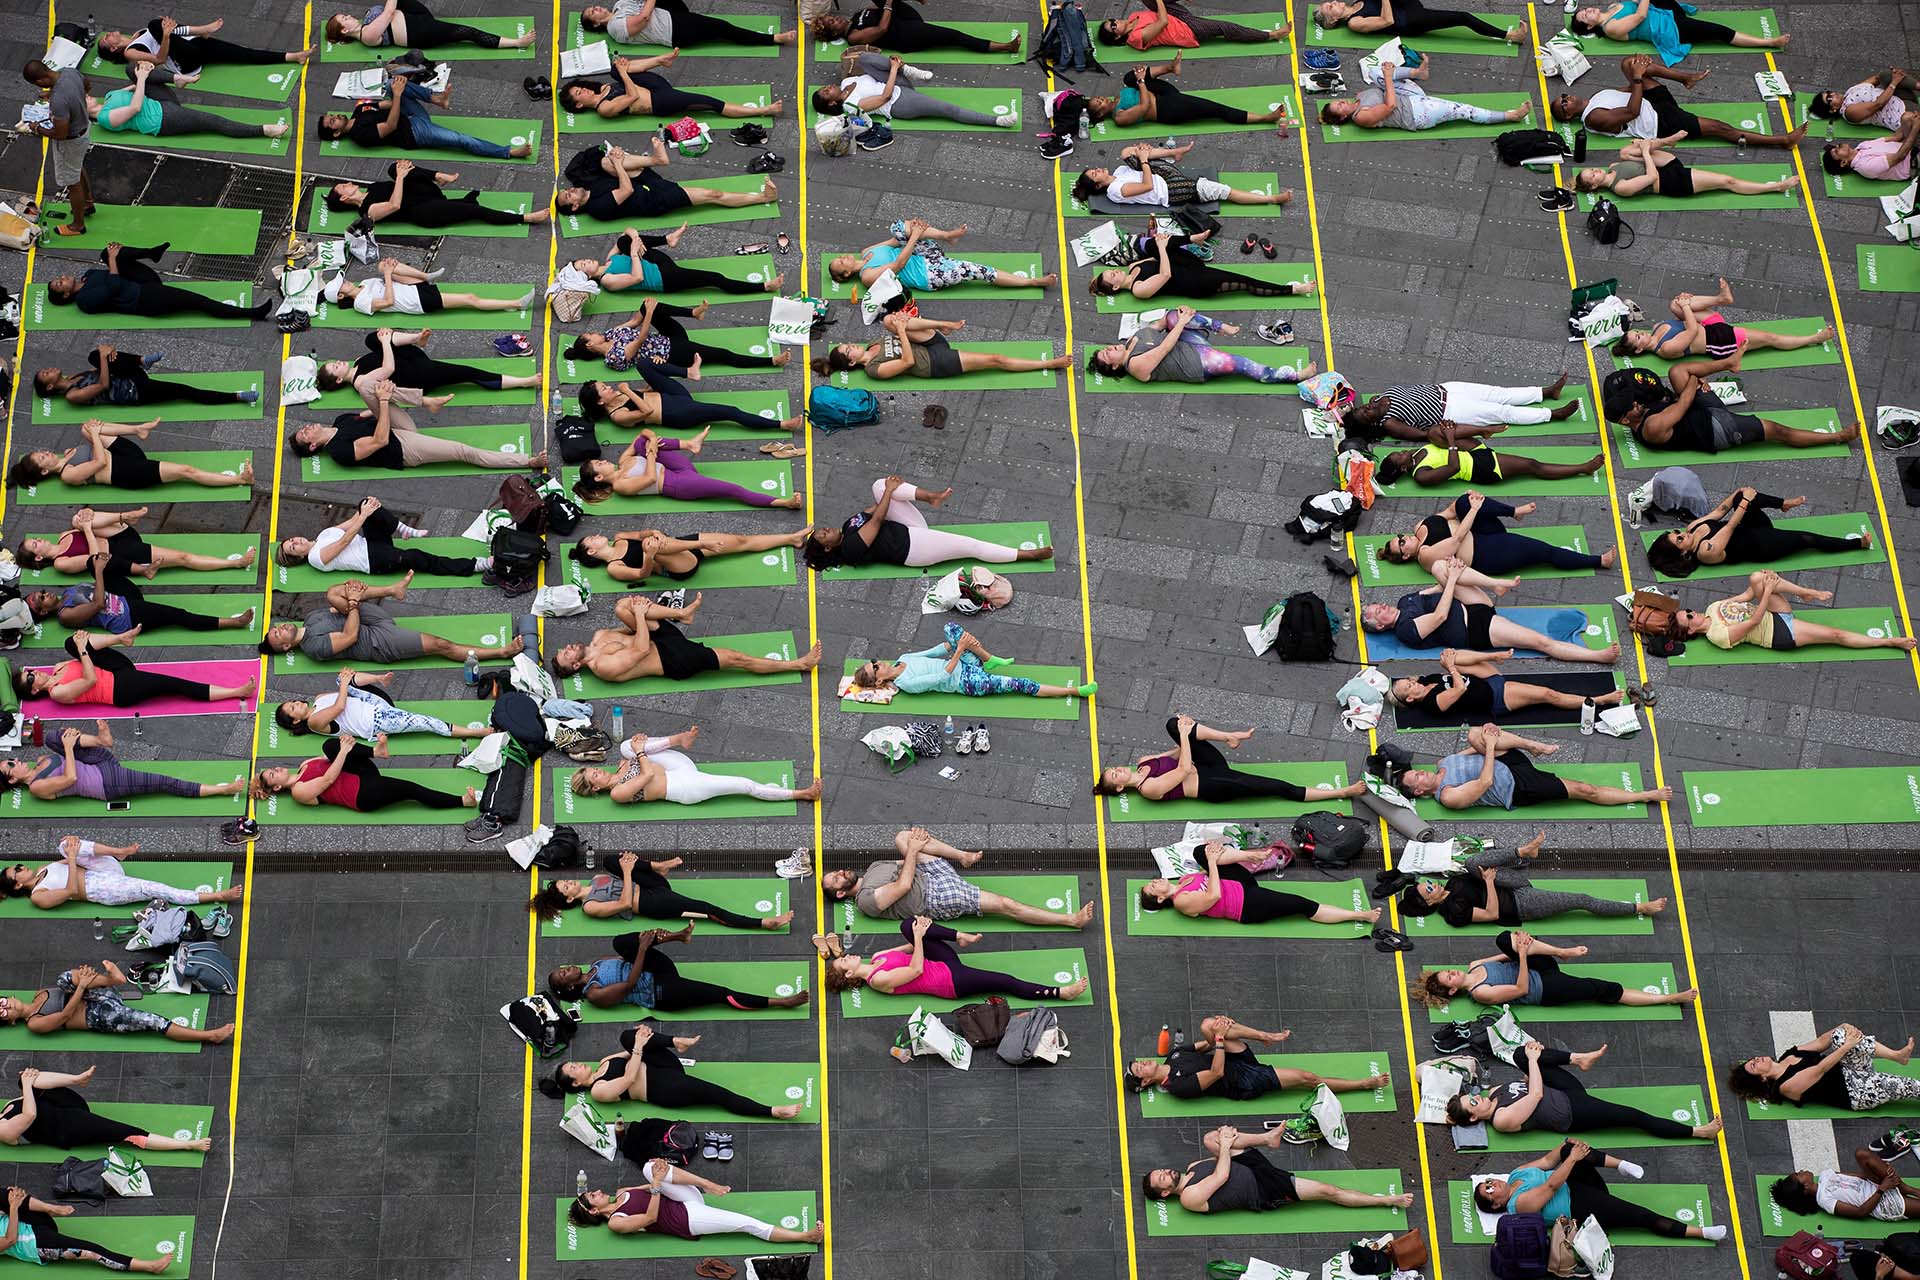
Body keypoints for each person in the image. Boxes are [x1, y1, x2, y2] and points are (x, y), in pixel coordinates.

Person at [1450, 1040, 1723, 1140]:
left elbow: (1526, 1080)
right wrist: (1536, 1062)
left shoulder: (1496, 1091)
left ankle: (1578, 1058)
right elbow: (1535, 1095)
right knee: (1633, 1117)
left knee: (1521, 1055)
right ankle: (1698, 1131)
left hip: (1564, 1089)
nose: (1476, 1097)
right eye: (1472, 1103)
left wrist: (1531, 1063)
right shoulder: (1501, 1120)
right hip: (1573, 1112)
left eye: (1471, 1095)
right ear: (1474, 1117)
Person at [824, 828, 1095, 928]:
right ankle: (1070, 920)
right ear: (840, 893)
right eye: (835, 880)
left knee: (902, 837)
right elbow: (903, 885)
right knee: (1004, 904)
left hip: (927, 872)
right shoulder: (865, 901)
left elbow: (907, 860)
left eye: (835, 872)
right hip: (934, 897)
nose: (839, 873)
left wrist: (913, 846)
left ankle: (962, 856)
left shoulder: (873, 866)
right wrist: (914, 851)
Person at [1605, 351, 1860, 454]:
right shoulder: (1651, 428)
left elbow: (1677, 399)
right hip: (1715, 429)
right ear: (1626, 420)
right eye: (1632, 405)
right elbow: (1681, 404)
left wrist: (1692, 384)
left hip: (1697, 410)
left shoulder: (1640, 413)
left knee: (1677, 371)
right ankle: (1836, 437)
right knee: (1777, 431)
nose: (1637, 403)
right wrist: (1695, 383)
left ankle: (1728, 363)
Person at [1360, 564, 1624, 664]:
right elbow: (1439, 616)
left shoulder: (1403, 601)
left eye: (1378, 605)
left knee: (1441, 566)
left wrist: (1450, 575)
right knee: (1540, 642)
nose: (1382, 607)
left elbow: (1434, 589)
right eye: (1378, 613)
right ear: (1382, 627)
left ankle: (1496, 582)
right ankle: (1598, 657)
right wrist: (1452, 581)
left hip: (1468, 602)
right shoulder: (1406, 629)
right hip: (1476, 628)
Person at [541, 1019, 804, 1118]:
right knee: (717, 1095)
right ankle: (772, 1111)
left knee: (625, 1035)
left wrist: (641, 1036)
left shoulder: (602, 1063)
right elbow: (630, 1077)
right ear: (575, 1083)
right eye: (572, 1069)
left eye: (572, 1063)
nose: (576, 1064)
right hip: (664, 1088)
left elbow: (628, 1049)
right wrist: (640, 1045)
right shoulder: (598, 1090)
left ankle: (675, 1042)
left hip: (663, 1066)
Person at [1476, 1141, 1728, 1242]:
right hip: (1581, 1208)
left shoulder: (1515, 1175)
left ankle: (1621, 1165)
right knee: (1641, 1216)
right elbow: (1551, 1185)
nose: (1492, 1185)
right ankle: (1701, 1232)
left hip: (1577, 1185)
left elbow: (1545, 1161)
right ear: (1496, 1205)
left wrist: (1567, 1149)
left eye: (1488, 1182)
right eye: (1489, 1191)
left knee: (1566, 1149)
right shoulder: (1518, 1205)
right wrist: (1573, 1159)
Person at [550, 592, 823, 684]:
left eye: (564, 648)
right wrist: (643, 615)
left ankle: (682, 614)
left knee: (622, 606)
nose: (568, 647)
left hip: (659, 638)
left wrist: (638, 613)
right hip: (672, 659)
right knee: (735, 658)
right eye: (567, 653)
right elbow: (641, 650)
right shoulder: (603, 668)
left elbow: (631, 630)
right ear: (576, 666)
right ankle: (798, 665)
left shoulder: (598, 636)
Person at [1399, 832, 1664, 927]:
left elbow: (1478, 867)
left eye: (1428, 882)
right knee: (1580, 900)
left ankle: (1523, 853)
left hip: (1509, 883)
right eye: (1429, 888)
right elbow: (1491, 914)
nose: (1433, 884)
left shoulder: (1452, 884)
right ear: (1430, 903)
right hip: (1521, 903)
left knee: (1469, 863)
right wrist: (1489, 882)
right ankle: (1639, 907)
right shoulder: (1452, 912)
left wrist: (1489, 876)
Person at [1094, 714, 1367, 805]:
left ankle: (1229, 737)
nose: (1118, 769)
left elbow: (1176, 753)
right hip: (1212, 784)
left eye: (1113, 768)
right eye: (1115, 775)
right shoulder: (1148, 790)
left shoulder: (1143, 762)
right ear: (1120, 787)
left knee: (1173, 723)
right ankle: (1342, 792)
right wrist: (1188, 737)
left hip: (1205, 765)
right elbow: (1184, 769)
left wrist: (1184, 733)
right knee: (1276, 787)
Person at [803, 477, 1052, 574]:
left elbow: (874, 510)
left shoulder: (848, 526)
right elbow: (877, 520)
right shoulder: (850, 549)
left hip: (909, 528)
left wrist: (887, 492)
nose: (826, 529)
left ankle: (931, 496)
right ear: (827, 549)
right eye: (823, 536)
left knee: (878, 486)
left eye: (822, 529)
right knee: (971, 546)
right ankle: (1027, 554)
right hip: (914, 548)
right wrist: (891, 492)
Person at [1396, 725, 1672, 813]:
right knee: (1585, 790)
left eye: (1417, 771)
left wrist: (1485, 738)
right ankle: (1645, 795)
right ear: (1419, 791)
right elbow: (1485, 783)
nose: (1422, 772)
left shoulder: (1442, 763)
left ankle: (1532, 746)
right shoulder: (1447, 796)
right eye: (1417, 777)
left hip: (1505, 760)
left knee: (1473, 734)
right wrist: (1491, 746)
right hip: (1515, 786)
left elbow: (1469, 751)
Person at [1144, 1125, 1416, 1214]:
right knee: (1327, 1191)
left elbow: (1224, 1162)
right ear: (1166, 1192)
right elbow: (1221, 1176)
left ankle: (1268, 1139)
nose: (1166, 1172)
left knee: (1208, 1138)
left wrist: (1223, 1139)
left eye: (1162, 1171)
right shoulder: (1189, 1198)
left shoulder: (1192, 1167)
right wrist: (1226, 1144)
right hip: (1262, 1188)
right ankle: (1386, 1200)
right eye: (1162, 1178)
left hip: (1246, 1164)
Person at [258, 578, 527, 666]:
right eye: (277, 635)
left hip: (367, 618)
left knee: (333, 592)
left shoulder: (310, 617)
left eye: (276, 627)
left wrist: (347, 598)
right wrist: (352, 602)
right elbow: (350, 636)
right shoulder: (313, 648)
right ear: (285, 648)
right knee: (439, 644)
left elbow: (338, 605)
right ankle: (501, 652)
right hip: (375, 642)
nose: (279, 628)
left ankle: (391, 590)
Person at [1415, 930, 1698, 1011]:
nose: (1452, 971)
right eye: (1449, 977)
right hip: (1546, 988)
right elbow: (1520, 989)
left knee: (1505, 938)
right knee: (1601, 988)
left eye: (1447, 970)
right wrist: (1524, 955)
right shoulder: (1481, 994)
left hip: (1538, 962)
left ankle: (1562, 952)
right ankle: (1669, 998)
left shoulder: (1474, 966)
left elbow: (1504, 953)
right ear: (1453, 989)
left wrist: (1520, 944)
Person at [549, 925, 812, 1012]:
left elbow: (624, 955)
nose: (566, 968)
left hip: (658, 970)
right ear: (570, 986)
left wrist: (642, 946)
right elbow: (628, 985)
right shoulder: (594, 993)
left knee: (620, 942)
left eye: (562, 968)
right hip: (660, 992)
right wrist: (642, 949)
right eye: (563, 974)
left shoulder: (595, 965)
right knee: (719, 993)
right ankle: (781, 1002)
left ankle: (678, 936)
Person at [290, 384, 545, 474]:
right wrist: (383, 401)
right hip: (402, 448)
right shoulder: (338, 451)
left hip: (396, 429)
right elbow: (379, 440)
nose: (307, 427)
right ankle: (527, 461)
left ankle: (426, 401)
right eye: (305, 433)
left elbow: (367, 414)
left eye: (303, 428)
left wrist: (383, 397)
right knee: (464, 451)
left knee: (368, 386)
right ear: (312, 446)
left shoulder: (340, 421)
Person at [824, 915, 1091, 1001]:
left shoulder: (879, 957)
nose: (848, 956)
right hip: (950, 982)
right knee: (1006, 981)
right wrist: (919, 937)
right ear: (848, 974)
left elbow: (910, 946)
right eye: (844, 961)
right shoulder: (878, 979)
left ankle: (959, 935)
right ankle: (1059, 992)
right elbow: (916, 969)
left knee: (907, 924)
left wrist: (918, 933)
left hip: (942, 963)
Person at [1556, 55, 1803, 147]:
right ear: (1569, 116)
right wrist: (1639, 79)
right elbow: (1631, 112)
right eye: (1564, 104)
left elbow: (1624, 93)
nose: (1568, 98)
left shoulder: (1596, 98)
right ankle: (1782, 141)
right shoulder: (1593, 117)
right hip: (1660, 122)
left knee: (1629, 63)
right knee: (1719, 127)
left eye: (1564, 96)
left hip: (1650, 101)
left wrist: (1637, 73)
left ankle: (1686, 78)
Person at [1655, 571, 1919, 655]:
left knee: (1757, 576)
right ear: (1690, 629)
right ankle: (1889, 642)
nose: (1692, 612)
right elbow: (1755, 620)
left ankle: (1806, 592)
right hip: (1778, 633)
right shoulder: (1718, 636)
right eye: (1689, 616)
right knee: (1835, 635)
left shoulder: (1713, 609)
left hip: (1773, 612)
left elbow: (1747, 595)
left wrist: (1762, 584)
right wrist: (1768, 592)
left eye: (1687, 610)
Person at [1380, 493, 1613, 587]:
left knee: (1463, 500)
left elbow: (1452, 509)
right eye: (1401, 544)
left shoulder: (1420, 527)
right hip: (1488, 552)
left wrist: (1470, 500)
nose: (1403, 538)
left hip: (1484, 531)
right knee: (1545, 552)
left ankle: (1514, 511)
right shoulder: (1425, 555)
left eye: (1399, 537)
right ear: (1407, 555)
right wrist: (1474, 509)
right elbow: (1457, 539)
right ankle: (1599, 561)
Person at [1128, 1017, 1388, 1101]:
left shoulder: (1174, 1055)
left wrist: (1220, 1029)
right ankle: (1363, 1084)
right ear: (1146, 1082)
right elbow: (1217, 1072)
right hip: (1241, 1080)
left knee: (1209, 1023)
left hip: (1232, 1058)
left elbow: (1205, 1043)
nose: (1143, 1062)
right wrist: (1219, 1039)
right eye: (1140, 1069)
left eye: (1138, 1061)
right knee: (1306, 1079)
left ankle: (1265, 1036)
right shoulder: (1177, 1086)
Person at [566, 725, 823, 809]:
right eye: (593, 776)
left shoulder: (622, 763)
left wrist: (635, 749)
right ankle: (803, 794)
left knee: (624, 747)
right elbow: (645, 775)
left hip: (677, 767)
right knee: (743, 785)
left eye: (593, 770)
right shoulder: (617, 793)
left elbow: (642, 758)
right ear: (595, 788)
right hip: (683, 787)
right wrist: (641, 750)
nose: (597, 771)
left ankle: (680, 739)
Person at [1138, 840, 1382, 927]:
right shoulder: (1181, 902)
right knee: (1302, 905)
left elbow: (1208, 869)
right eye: (1153, 887)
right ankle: (1360, 915)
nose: (1155, 881)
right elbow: (1212, 896)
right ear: (1161, 898)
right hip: (1246, 905)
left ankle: (1252, 856)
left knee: (1201, 852)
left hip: (1239, 884)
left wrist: (1211, 857)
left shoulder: (1183, 880)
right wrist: (1213, 863)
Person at [530, 850, 794, 931]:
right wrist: (628, 870)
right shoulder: (590, 906)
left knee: (611, 860)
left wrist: (627, 867)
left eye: (565, 880)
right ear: (568, 897)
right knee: (706, 908)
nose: (569, 882)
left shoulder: (597, 877)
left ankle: (659, 867)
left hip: (648, 883)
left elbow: (621, 868)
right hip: (650, 901)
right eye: (566, 886)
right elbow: (623, 905)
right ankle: (763, 922)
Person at [0, 722, 246, 806]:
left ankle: (101, 740)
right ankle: (223, 789)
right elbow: (70, 779)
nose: (15, 759)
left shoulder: (41, 759)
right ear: (12, 780)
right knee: (163, 783)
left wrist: (68, 743)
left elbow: (67, 748)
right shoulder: (36, 787)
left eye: (10, 759)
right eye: (10, 765)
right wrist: (68, 747)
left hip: (97, 760)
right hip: (106, 783)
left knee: (55, 736)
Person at [568, 1166, 823, 1246]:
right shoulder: (616, 1222)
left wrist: (656, 1177)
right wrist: (657, 1184)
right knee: (746, 1223)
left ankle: (706, 1184)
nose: (599, 1191)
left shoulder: (621, 1193)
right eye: (594, 1196)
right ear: (593, 1211)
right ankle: (805, 1237)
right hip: (688, 1219)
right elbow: (649, 1217)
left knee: (649, 1167)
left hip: (684, 1199)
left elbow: (652, 1186)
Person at [1646, 487, 1869, 578]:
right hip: (1763, 545)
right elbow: (1730, 526)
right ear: (1684, 554)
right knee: (1806, 539)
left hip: (1753, 528)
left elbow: (1718, 512)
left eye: (1676, 533)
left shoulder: (1692, 528)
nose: (1681, 534)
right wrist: (1744, 504)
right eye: (1679, 540)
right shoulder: (1705, 551)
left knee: (1742, 495)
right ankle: (1857, 544)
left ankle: (1783, 504)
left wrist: (1738, 494)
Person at [25, 554, 255, 640]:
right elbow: (97, 604)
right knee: (178, 616)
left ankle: (144, 570)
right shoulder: (65, 616)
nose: (46, 593)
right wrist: (97, 570)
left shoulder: (67, 593)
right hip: (127, 617)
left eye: (42, 592)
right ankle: (233, 622)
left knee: (98, 560)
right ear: (44, 611)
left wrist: (100, 565)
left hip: (127, 597)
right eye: (42, 598)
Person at [0, 959, 235, 1043]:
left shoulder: (39, 993)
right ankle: (209, 1036)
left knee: (63, 979)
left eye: (1, 1002)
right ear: (11, 1022)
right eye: (2, 1013)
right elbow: (63, 1016)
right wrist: (82, 985)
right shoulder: (34, 1023)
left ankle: (111, 979)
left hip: (98, 994)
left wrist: (83, 981)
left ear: (8, 997)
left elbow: (71, 985)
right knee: (153, 1021)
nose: (6, 1007)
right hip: (101, 1017)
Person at [850, 621, 1097, 701]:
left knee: (951, 627)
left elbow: (933, 652)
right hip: (968, 681)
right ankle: (1074, 691)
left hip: (964, 661)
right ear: (879, 680)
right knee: (1019, 683)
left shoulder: (903, 659)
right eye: (874, 668)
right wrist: (960, 650)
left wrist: (953, 643)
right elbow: (942, 676)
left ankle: (988, 659)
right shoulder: (908, 684)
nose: (877, 663)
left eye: (873, 662)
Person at [16, 629, 255, 708]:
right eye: (30, 679)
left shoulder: (58, 667)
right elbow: (89, 681)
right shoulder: (57, 693)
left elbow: (85, 653)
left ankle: (122, 637)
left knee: (70, 642)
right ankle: (236, 692)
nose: (33, 673)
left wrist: (79, 647)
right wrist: (83, 650)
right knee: (175, 685)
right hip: (120, 690)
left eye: (30, 672)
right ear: (35, 691)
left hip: (117, 668)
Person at [273, 668, 495, 754]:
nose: (297, 703)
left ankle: (380, 678)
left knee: (342, 678)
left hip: (373, 702)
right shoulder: (314, 722)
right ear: (295, 721)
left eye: (293, 701)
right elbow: (340, 706)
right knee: (425, 722)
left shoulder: (318, 700)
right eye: (293, 708)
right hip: (377, 721)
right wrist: (345, 685)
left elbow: (346, 692)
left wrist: (347, 681)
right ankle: (475, 732)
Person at [574, 428, 805, 509]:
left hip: (676, 467)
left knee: (643, 444)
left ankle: (689, 444)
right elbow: (647, 479)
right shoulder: (621, 485)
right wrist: (653, 452)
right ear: (600, 477)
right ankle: (784, 503)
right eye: (599, 464)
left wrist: (652, 439)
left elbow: (641, 436)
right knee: (732, 490)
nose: (603, 460)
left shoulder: (624, 461)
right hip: (678, 485)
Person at [2, 1066, 215, 1154]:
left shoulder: (5, 1109)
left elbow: (31, 1092)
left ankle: (78, 1079)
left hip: (67, 1105)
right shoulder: (2, 1130)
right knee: (126, 1132)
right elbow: (30, 1114)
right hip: (68, 1128)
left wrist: (27, 1082)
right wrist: (29, 1086)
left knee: (26, 1077)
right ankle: (187, 1145)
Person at [316, 74, 533, 159]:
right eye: (332, 121)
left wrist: (398, 91)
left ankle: (436, 99)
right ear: (335, 133)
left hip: (408, 114)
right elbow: (390, 126)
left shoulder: (358, 110)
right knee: (460, 140)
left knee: (390, 83)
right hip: (414, 132)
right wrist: (400, 96)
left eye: (332, 115)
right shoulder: (359, 135)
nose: (335, 116)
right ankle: (509, 152)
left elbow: (388, 103)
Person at [45, 241, 274, 320]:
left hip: (142, 281)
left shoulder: (89, 275)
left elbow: (115, 271)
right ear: (66, 294)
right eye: (60, 284)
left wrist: (112, 256)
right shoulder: (85, 301)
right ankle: (251, 313)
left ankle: (151, 252)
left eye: (58, 278)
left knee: (107, 253)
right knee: (198, 302)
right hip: (145, 299)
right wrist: (114, 261)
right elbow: (114, 287)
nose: (62, 278)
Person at [1087, 306, 1314, 387]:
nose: (1108, 350)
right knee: (1241, 364)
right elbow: (1165, 347)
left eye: (1104, 349)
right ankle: (1292, 375)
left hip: (1189, 344)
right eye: (1106, 356)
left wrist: (1177, 314)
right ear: (1116, 367)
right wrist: (1184, 322)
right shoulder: (1135, 365)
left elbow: (1160, 323)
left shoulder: (1130, 341)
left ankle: (1220, 327)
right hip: (1196, 364)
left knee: (1174, 316)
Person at [556, 140, 778, 222]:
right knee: (713, 195)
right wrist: (618, 164)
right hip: (653, 199)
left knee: (606, 162)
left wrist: (614, 158)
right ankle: (762, 197)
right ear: (575, 206)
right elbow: (626, 190)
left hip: (641, 182)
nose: (571, 190)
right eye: (569, 195)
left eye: (567, 190)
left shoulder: (590, 186)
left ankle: (657, 159)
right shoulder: (596, 208)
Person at [816, 311, 1071, 382]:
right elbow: (908, 362)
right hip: (934, 363)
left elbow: (900, 330)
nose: (852, 345)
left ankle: (944, 324)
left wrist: (898, 325)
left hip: (930, 341)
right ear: (851, 362)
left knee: (888, 320)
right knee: (996, 359)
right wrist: (903, 332)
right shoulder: (874, 368)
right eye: (849, 350)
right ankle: (1048, 364)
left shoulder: (872, 344)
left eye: (848, 344)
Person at [1614, 279, 1834, 362]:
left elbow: (1685, 319)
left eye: (1637, 332)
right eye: (1638, 337)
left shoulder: (1656, 328)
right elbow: (1690, 331)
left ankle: (1722, 299)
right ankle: (1814, 338)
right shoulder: (1666, 349)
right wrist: (1687, 306)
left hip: (1708, 324)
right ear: (1640, 349)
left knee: (1674, 304)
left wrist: (1682, 304)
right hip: (1719, 340)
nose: (1641, 333)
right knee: (1769, 338)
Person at [10, 419, 254, 493]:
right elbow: (99, 462)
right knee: (185, 471)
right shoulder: (68, 475)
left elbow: (97, 445)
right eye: (41, 458)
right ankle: (240, 480)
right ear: (44, 471)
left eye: (39, 452)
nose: (43, 452)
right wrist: (95, 436)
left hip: (124, 453)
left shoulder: (68, 454)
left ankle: (138, 429)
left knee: (85, 427)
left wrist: (92, 433)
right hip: (129, 472)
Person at [2, 836, 244, 910]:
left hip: (102, 868)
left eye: (19, 865)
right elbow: (70, 891)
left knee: (65, 844)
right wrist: (73, 859)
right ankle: (215, 896)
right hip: (100, 889)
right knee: (153, 888)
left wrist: (71, 851)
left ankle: (119, 852)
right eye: (18, 871)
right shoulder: (38, 895)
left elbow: (72, 855)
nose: (22, 866)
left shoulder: (44, 869)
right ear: (16, 885)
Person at [251, 734, 478, 812]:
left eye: (272, 769)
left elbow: (334, 758)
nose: (277, 769)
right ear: (278, 787)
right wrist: (346, 750)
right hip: (362, 794)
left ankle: (377, 752)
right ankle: (462, 801)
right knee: (411, 789)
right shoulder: (299, 792)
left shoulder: (304, 765)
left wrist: (344, 749)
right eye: (273, 775)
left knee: (329, 747)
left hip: (362, 774)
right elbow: (329, 779)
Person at [1388, 651, 1628, 724]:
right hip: (1495, 698)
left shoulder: (1427, 679)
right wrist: (1452, 668)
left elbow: (1457, 669)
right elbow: (1459, 689)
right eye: (1407, 686)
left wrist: (1450, 662)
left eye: (1407, 680)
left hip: (1487, 680)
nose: (1411, 682)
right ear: (1409, 699)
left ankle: (1496, 656)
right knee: (1548, 695)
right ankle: (1599, 700)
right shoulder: (1432, 703)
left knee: (1451, 658)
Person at [278, 497, 488, 580]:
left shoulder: (322, 535)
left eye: (292, 541)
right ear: (299, 557)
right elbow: (344, 542)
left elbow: (351, 523)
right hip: (374, 560)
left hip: (372, 544)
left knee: (365, 502)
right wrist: (365, 515)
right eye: (293, 548)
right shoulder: (315, 558)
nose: (296, 542)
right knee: (417, 557)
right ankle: (474, 566)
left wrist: (367, 507)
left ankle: (402, 529)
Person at [315, 328, 542, 404]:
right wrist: (385, 342)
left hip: (411, 358)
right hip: (418, 377)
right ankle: (524, 382)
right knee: (469, 374)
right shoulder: (360, 382)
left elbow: (384, 346)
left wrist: (382, 339)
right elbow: (388, 369)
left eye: (333, 363)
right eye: (335, 368)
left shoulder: (356, 362)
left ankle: (416, 338)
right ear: (338, 380)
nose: (337, 363)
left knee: (370, 339)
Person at [1729, 1023, 1920, 1113]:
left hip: (1849, 1069)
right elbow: (1820, 1069)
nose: (1756, 1059)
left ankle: (1897, 1056)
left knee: (1839, 1036)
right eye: (1754, 1065)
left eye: (1753, 1060)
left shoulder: (1788, 1056)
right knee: (1912, 1086)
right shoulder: (1785, 1086)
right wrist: (1848, 1045)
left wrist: (1843, 1028)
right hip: (1856, 1092)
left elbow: (1821, 1042)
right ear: (1762, 1078)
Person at [17, 507, 257, 578]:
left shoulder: (62, 535)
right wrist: (88, 529)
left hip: (117, 534)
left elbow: (89, 523)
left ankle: (124, 516)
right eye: (34, 545)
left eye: (34, 540)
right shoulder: (61, 563)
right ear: (38, 557)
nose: (38, 539)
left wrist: (83, 521)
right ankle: (233, 564)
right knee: (183, 558)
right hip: (122, 552)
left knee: (78, 518)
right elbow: (93, 559)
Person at [830, 219, 1054, 294]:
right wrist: (916, 235)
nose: (842, 257)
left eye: (839, 257)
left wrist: (912, 231)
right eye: (841, 263)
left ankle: (947, 235)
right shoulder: (868, 276)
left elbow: (894, 240)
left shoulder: (866, 252)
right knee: (978, 270)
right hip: (927, 274)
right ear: (847, 273)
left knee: (897, 227)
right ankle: (1032, 281)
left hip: (921, 253)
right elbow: (899, 264)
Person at [1090, 228, 1312, 302]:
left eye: (1111, 270)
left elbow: (1158, 254)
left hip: (1188, 265)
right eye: (1112, 275)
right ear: (1117, 287)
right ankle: (1292, 289)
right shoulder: (1139, 290)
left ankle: (1192, 239)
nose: (1114, 271)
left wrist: (1160, 243)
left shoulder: (1132, 267)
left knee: (1154, 246)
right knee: (1244, 283)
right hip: (1194, 282)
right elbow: (1165, 274)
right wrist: (1162, 247)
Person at [577, 364, 802, 435]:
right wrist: (628, 391)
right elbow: (645, 411)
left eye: (604, 385)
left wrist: (653, 378)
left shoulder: (617, 396)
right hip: (678, 413)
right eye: (604, 388)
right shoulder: (618, 416)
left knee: (645, 364)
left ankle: (688, 371)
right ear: (599, 402)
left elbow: (646, 392)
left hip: (672, 396)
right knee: (730, 411)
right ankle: (781, 425)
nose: (608, 387)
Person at [566, 302, 788, 373]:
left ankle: (693, 312)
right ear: (590, 344)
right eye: (591, 334)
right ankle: (771, 361)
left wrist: (646, 309)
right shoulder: (613, 357)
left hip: (669, 337)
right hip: (673, 352)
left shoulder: (610, 334)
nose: (596, 332)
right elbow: (640, 338)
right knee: (723, 355)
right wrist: (650, 314)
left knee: (646, 305)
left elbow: (634, 322)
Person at [325, 159, 551, 229]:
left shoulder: (373, 187)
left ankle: (439, 175)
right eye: (343, 187)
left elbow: (400, 175)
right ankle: (526, 218)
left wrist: (400, 172)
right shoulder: (368, 211)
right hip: (424, 212)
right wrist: (402, 178)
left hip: (426, 194)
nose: (347, 183)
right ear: (344, 198)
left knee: (394, 167)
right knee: (474, 211)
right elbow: (394, 205)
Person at [0, 1185, 181, 1272]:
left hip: (35, 1223)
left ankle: (52, 1209)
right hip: (35, 1244)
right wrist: (13, 1207)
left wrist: (14, 1198)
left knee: (5, 1194)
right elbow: (10, 1240)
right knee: (90, 1250)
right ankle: (148, 1266)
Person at [90, 62, 289, 140]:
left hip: (160, 100)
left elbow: (135, 87)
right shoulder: (106, 118)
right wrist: (142, 78)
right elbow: (135, 106)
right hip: (163, 119)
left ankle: (177, 79)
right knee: (212, 121)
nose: (88, 96)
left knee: (130, 69)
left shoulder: (108, 97)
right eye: (85, 99)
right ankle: (264, 130)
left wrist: (145, 71)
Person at [812, 52, 1016, 128]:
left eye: (826, 87)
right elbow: (885, 96)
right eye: (827, 92)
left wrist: (891, 66)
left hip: (897, 83)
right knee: (948, 110)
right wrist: (893, 68)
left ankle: (908, 70)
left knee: (865, 59)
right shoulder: (850, 105)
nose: (829, 87)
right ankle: (998, 121)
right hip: (899, 102)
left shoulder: (847, 83)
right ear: (832, 103)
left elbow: (867, 64)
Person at [573, 225, 787, 297]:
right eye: (583, 265)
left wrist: (635, 238)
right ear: (588, 276)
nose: (586, 260)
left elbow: (626, 232)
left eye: (582, 260)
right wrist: (633, 253)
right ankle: (764, 287)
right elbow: (636, 277)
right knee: (714, 278)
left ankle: (669, 239)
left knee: (623, 240)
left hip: (658, 263)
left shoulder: (609, 259)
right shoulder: (609, 280)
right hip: (664, 279)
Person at [564, 51, 784, 120]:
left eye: (578, 88)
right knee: (710, 104)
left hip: (654, 87)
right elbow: (631, 97)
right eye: (578, 94)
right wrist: (623, 72)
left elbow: (625, 75)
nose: (581, 90)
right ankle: (763, 110)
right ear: (579, 105)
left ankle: (661, 60)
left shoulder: (603, 88)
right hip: (660, 101)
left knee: (615, 70)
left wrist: (620, 70)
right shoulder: (604, 108)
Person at [1343, 378, 1578, 443]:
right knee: (1502, 412)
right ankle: (1553, 414)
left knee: (1499, 393)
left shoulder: (1377, 398)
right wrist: (1453, 432)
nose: (1367, 407)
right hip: (1451, 409)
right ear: (1371, 423)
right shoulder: (1389, 423)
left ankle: (1546, 392)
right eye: (1366, 413)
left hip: (1448, 389)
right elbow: (1422, 435)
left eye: (1363, 408)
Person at [1072, 142, 1292, 210]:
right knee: (1224, 192)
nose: (1099, 169)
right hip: (1171, 189)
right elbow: (1147, 186)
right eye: (1095, 173)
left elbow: (1135, 161)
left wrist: (1140, 152)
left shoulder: (1119, 173)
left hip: (1164, 174)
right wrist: (1145, 159)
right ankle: (1271, 199)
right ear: (1098, 185)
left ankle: (1172, 153)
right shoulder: (1115, 191)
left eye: (1095, 168)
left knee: (1126, 154)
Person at [34, 344, 261, 409]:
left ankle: (142, 361)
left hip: (130, 375)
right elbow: (103, 384)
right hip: (136, 392)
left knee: (93, 355)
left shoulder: (74, 376)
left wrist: (106, 356)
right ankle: (237, 397)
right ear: (51, 386)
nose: (49, 369)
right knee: (185, 392)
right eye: (46, 374)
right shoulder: (72, 396)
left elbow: (101, 370)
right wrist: (105, 358)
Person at [1321, 60, 1533, 130]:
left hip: (1411, 96)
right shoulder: (1360, 117)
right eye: (1338, 107)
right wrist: (1387, 78)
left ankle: (1418, 72)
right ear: (1342, 117)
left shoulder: (1358, 98)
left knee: (1374, 72)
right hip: (1417, 113)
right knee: (1463, 110)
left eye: (1337, 102)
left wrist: (1384, 76)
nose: (1340, 102)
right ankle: (1510, 116)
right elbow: (1390, 107)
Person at [96, 15, 311, 83]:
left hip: (193, 46)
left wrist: (170, 31)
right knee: (156, 25)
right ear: (114, 49)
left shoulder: (137, 34)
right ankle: (203, 29)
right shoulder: (129, 52)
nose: (108, 35)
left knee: (241, 53)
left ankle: (294, 57)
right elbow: (159, 59)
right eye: (106, 40)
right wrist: (167, 35)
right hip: (185, 62)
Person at [571, 525, 808, 586]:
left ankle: (791, 538)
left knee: (741, 541)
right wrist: (650, 555)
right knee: (648, 546)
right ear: (591, 551)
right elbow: (642, 574)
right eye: (591, 539)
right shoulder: (614, 566)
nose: (596, 535)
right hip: (678, 565)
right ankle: (704, 543)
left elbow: (647, 532)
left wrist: (656, 533)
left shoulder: (621, 536)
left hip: (680, 544)